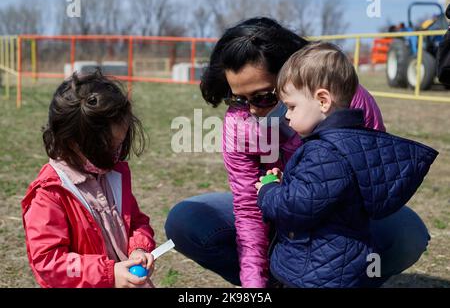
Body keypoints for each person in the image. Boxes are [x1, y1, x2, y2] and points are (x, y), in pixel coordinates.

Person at [165, 17, 430, 288]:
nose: (252, 110)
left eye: (263, 97)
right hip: (280, 211)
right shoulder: (240, 124)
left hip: (341, 223)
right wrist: (254, 286)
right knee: (187, 221)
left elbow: (373, 184)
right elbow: (248, 208)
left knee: (407, 235)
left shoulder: (350, 103)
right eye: (238, 99)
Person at [255, 41, 438, 288]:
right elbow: (321, 192)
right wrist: (287, 180)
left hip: (318, 271)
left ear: (322, 100)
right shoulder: (349, 142)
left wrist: (269, 191)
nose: (286, 115)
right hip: (340, 265)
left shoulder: (325, 152)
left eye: (291, 106)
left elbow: (297, 206)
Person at [22, 70, 156, 288]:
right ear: (74, 142)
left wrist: (139, 249)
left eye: (121, 144)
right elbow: (48, 263)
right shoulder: (51, 192)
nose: (117, 153)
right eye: (110, 146)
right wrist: (109, 274)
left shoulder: (114, 174)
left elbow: (137, 221)